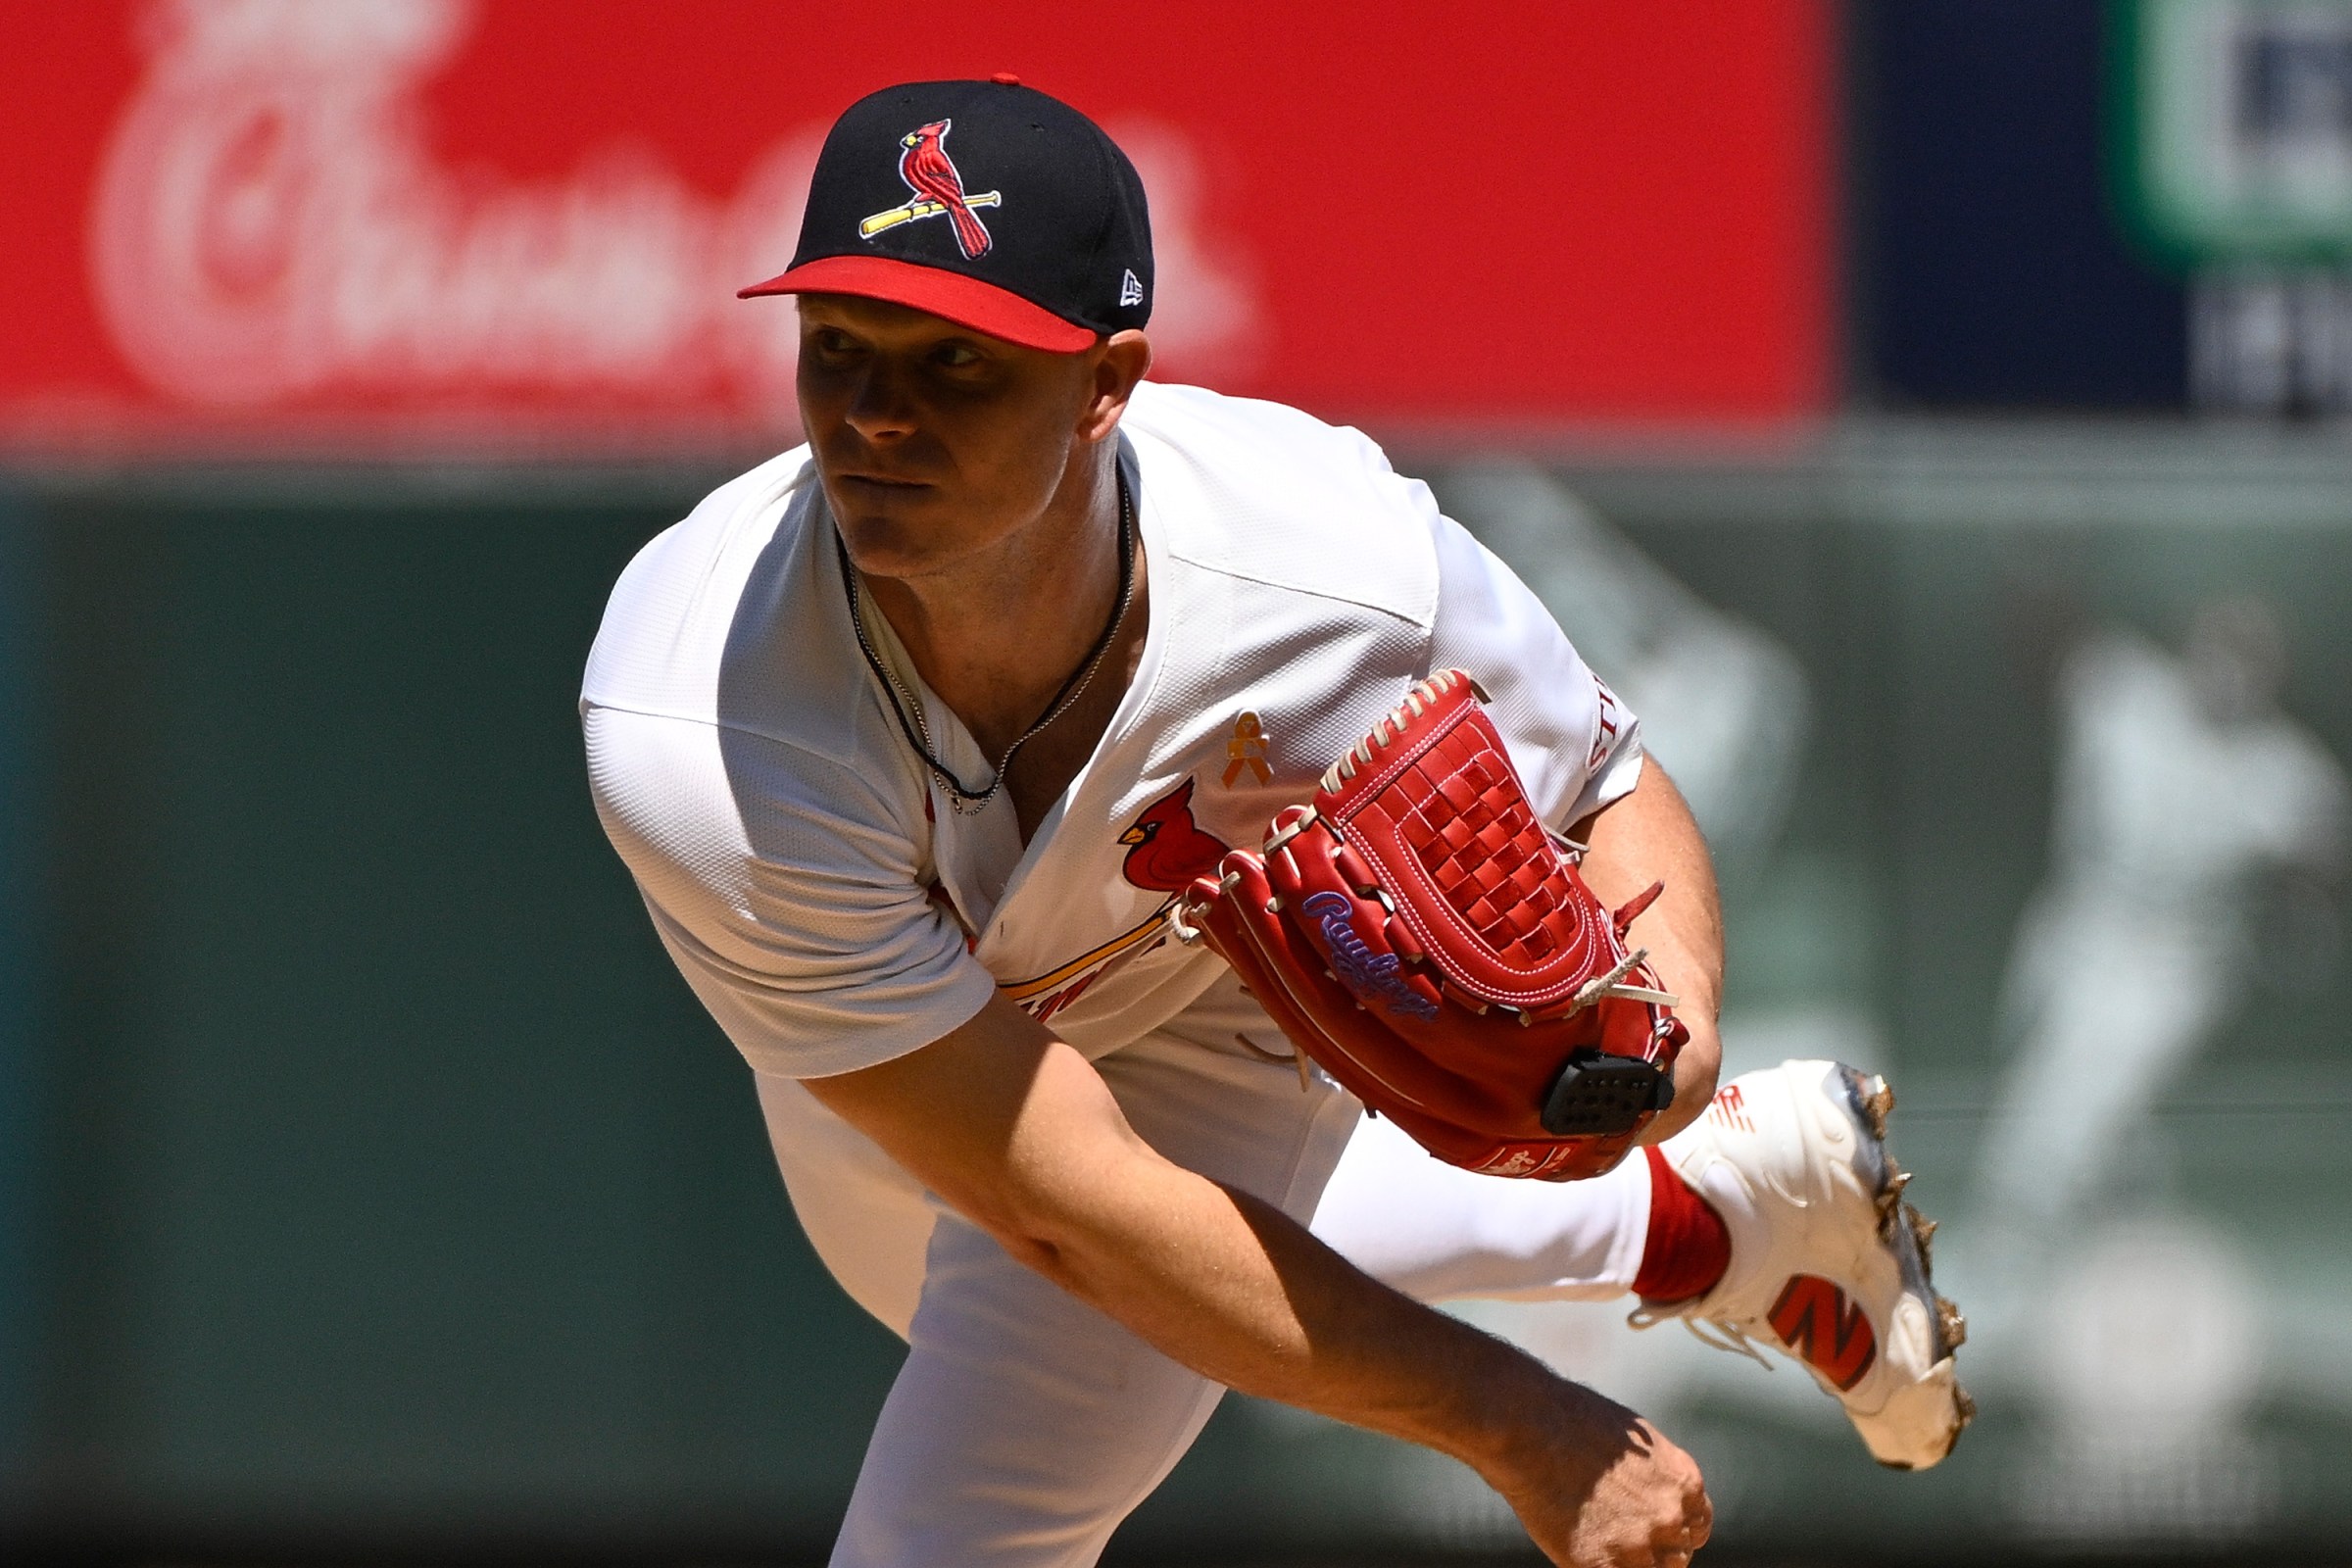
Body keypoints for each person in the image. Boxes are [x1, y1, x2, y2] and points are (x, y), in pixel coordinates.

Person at [582, 78, 1966, 1568]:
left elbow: (1612, 782)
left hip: (1206, 1004)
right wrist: (1518, 1420)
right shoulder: (702, 722)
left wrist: (1680, 1037)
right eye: (838, 347)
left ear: (1107, 383)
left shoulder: (1328, 564)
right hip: (914, 1075)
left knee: (961, 1523)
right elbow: (1065, 1206)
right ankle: (1713, 1211)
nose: (877, 415)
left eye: (960, 363)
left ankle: (1696, 1175)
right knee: (1010, 1263)